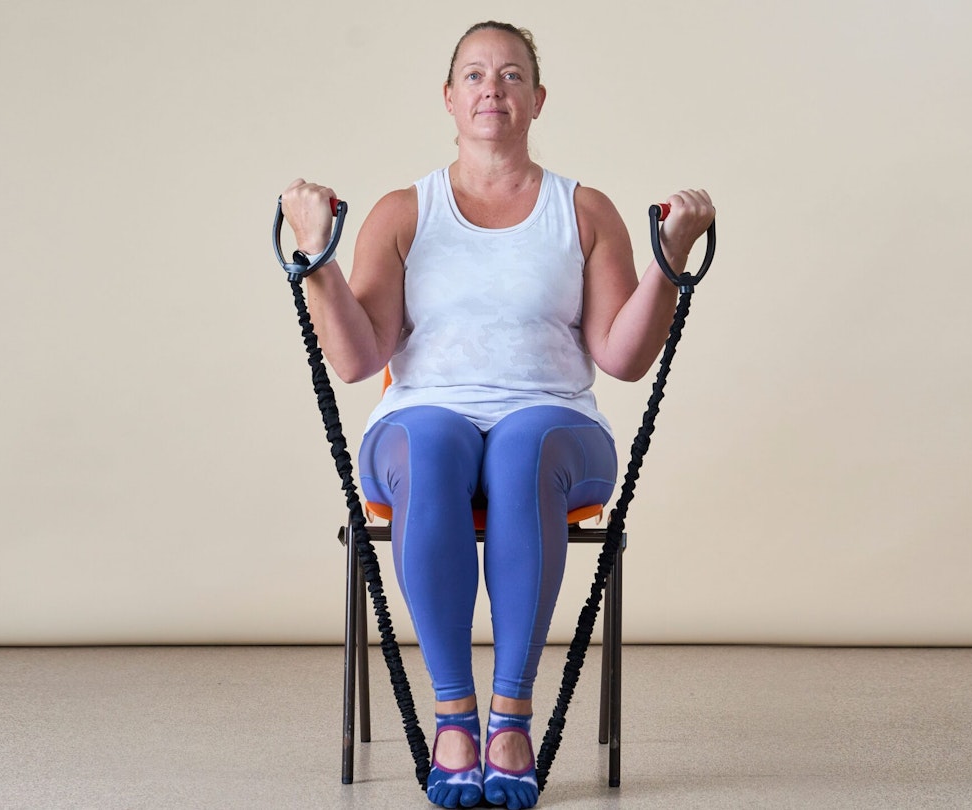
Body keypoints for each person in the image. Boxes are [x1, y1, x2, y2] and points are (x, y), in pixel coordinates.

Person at [281, 20, 714, 810]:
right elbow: (355, 359)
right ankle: (455, 718)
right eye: (475, 75)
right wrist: (316, 258)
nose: (493, 90)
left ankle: (509, 716)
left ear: (537, 99)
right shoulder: (402, 212)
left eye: (512, 75)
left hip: (556, 424)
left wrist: (668, 261)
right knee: (436, 440)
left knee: (521, 447)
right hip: (420, 419)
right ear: (449, 99)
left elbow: (620, 357)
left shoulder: (582, 210)